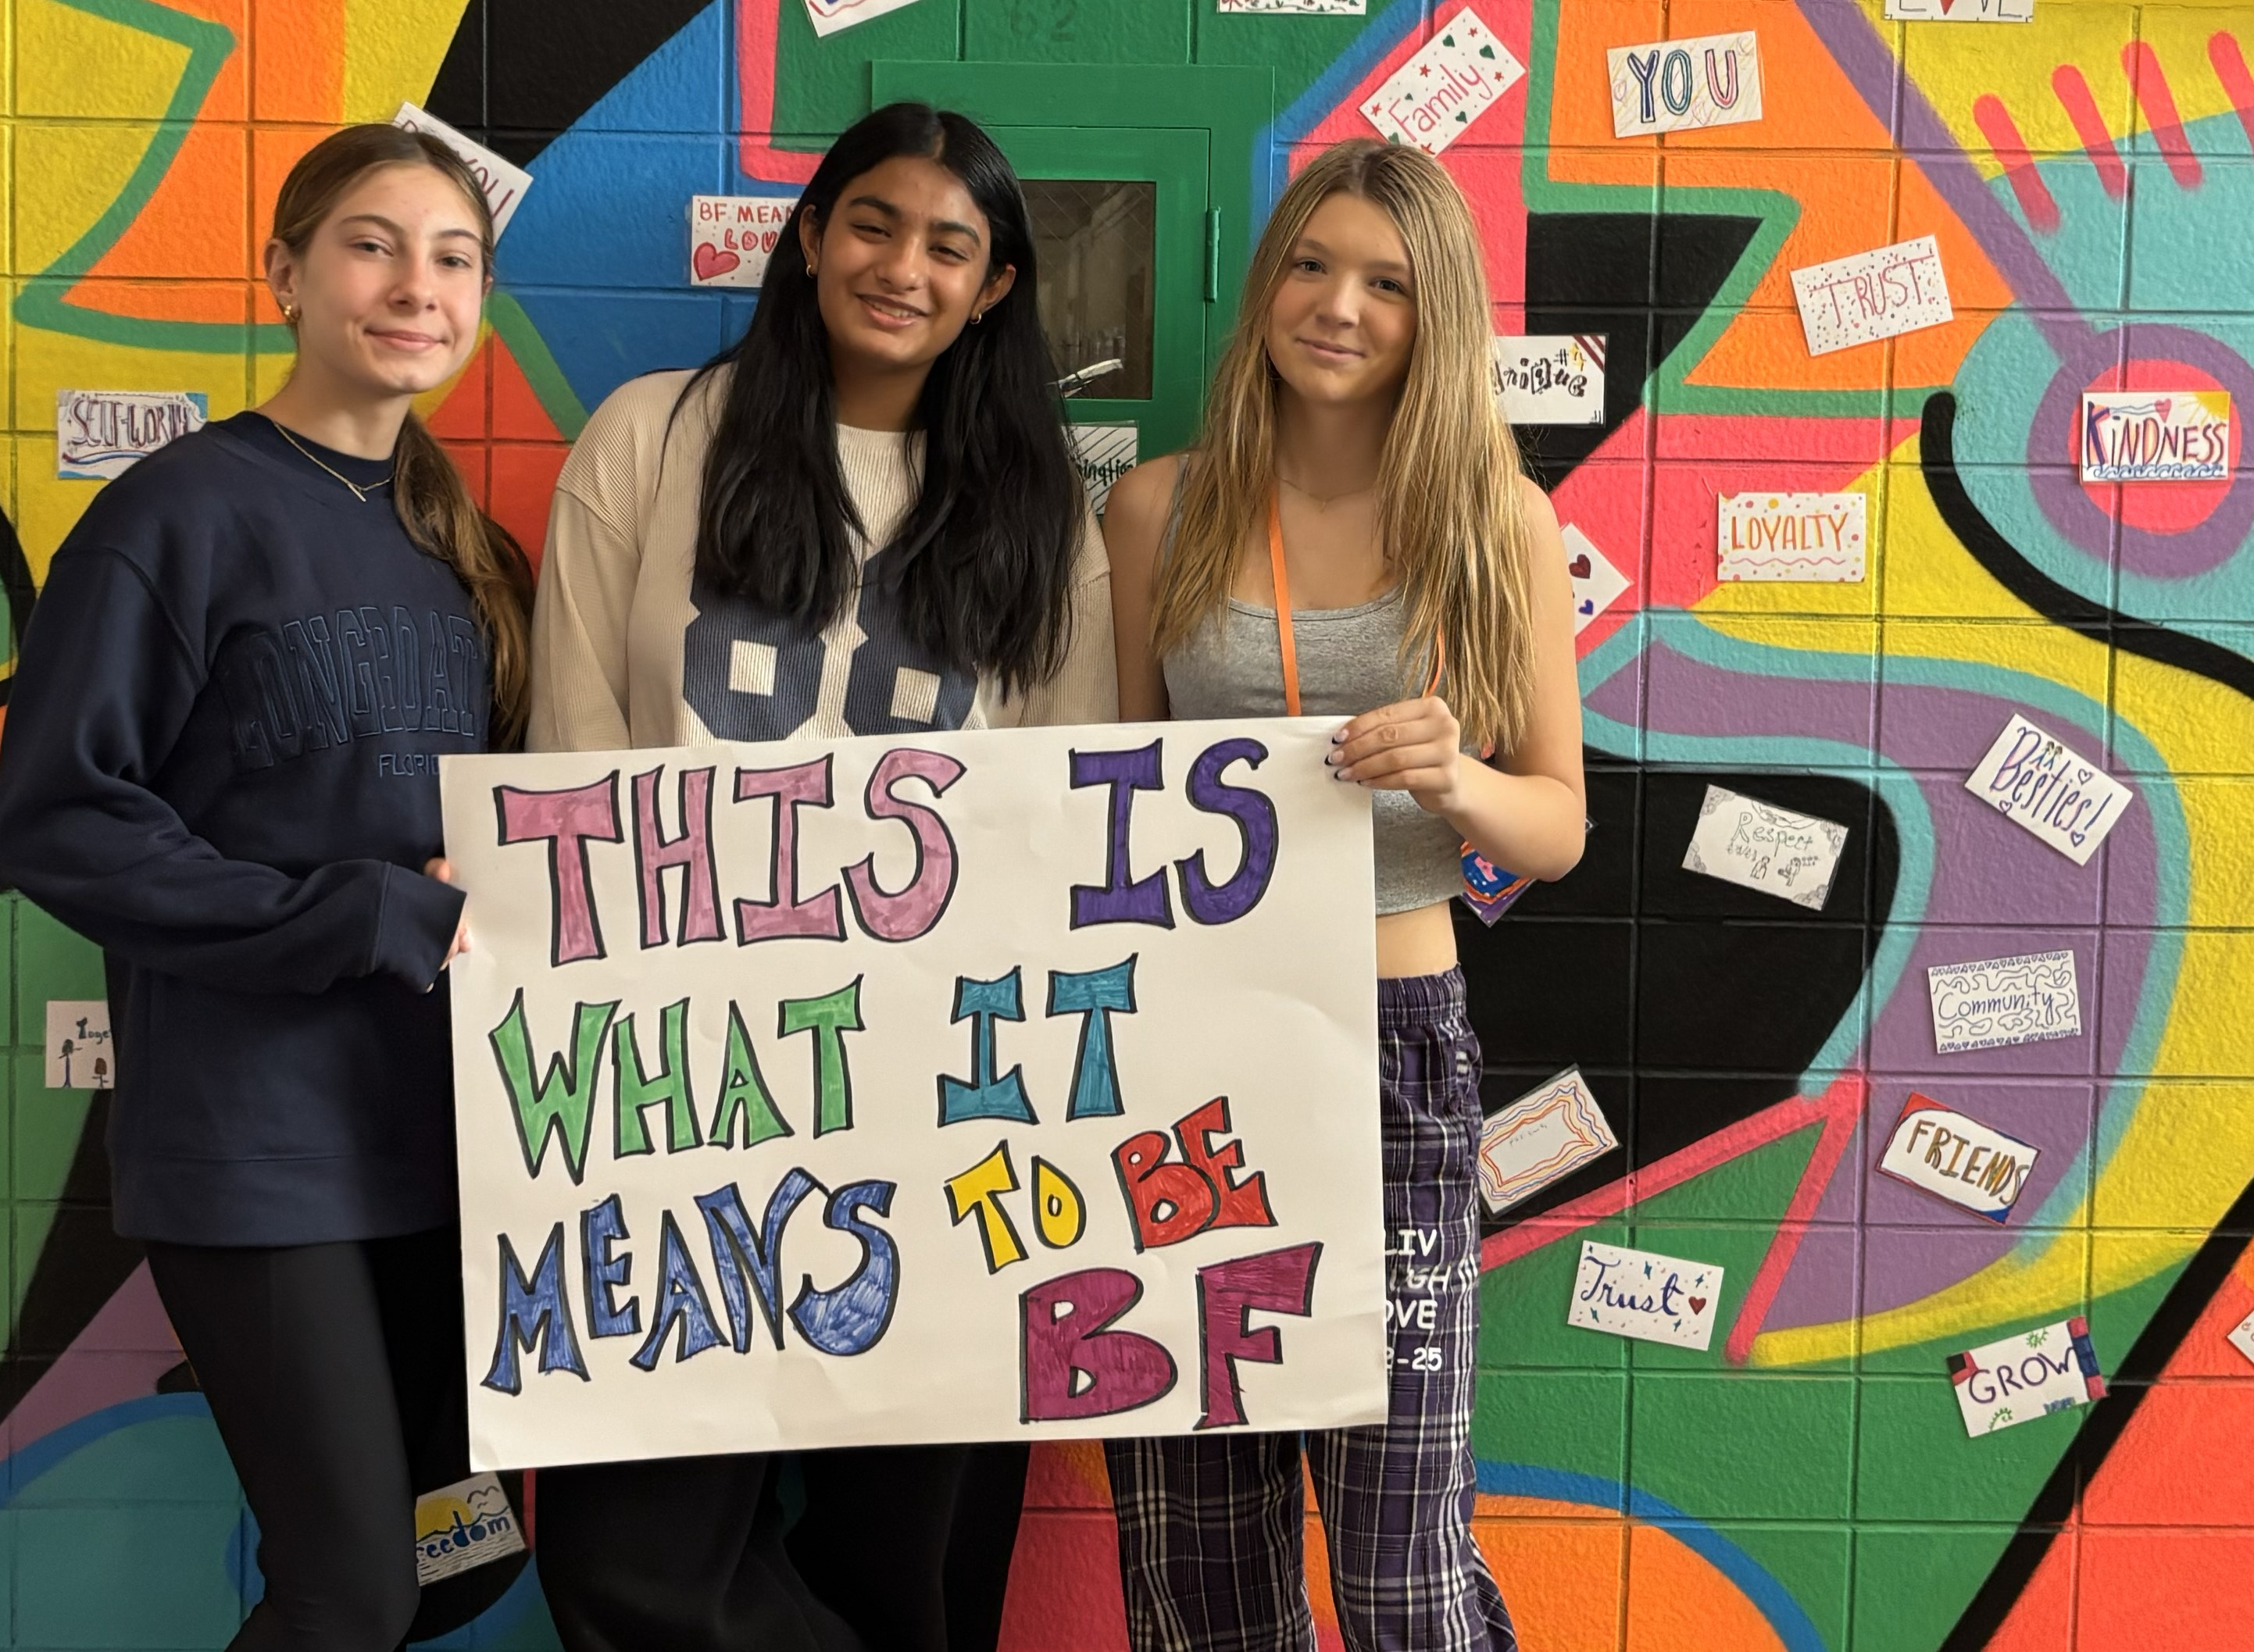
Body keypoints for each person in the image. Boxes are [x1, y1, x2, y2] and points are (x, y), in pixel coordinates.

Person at [523, 102, 1113, 1652]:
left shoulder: (1038, 508)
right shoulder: (655, 435)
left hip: (937, 1096)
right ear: (806, 234)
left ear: (993, 288)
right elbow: (572, 747)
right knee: (628, 1563)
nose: (901, 265)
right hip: (671, 1086)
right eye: (871, 221)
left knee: (905, 1569)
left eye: (948, 244)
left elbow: (1065, 818)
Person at [0, 122, 534, 1651]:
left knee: (453, 1565)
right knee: (347, 1587)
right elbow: (55, 820)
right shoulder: (179, 514)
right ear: (285, 271)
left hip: (443, 1144)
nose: (412, 285)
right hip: (256, 1148)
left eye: (451, 257)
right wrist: (340, 913)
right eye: (371, 243)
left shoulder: (463, 544)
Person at [1090, 137, 1585, 1652]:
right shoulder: (1156, 511)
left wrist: (1451, 776)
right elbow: (1109, 805)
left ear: (1437, 316)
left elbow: (1556, 824)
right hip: (1191, 1049)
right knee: (1203, 1566)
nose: (1339, 305)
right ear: (1268, 282)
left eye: (1387, 280)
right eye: (1312, 263)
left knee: (1400, 1573)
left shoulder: (1494, 518)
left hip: (1392, 1039)